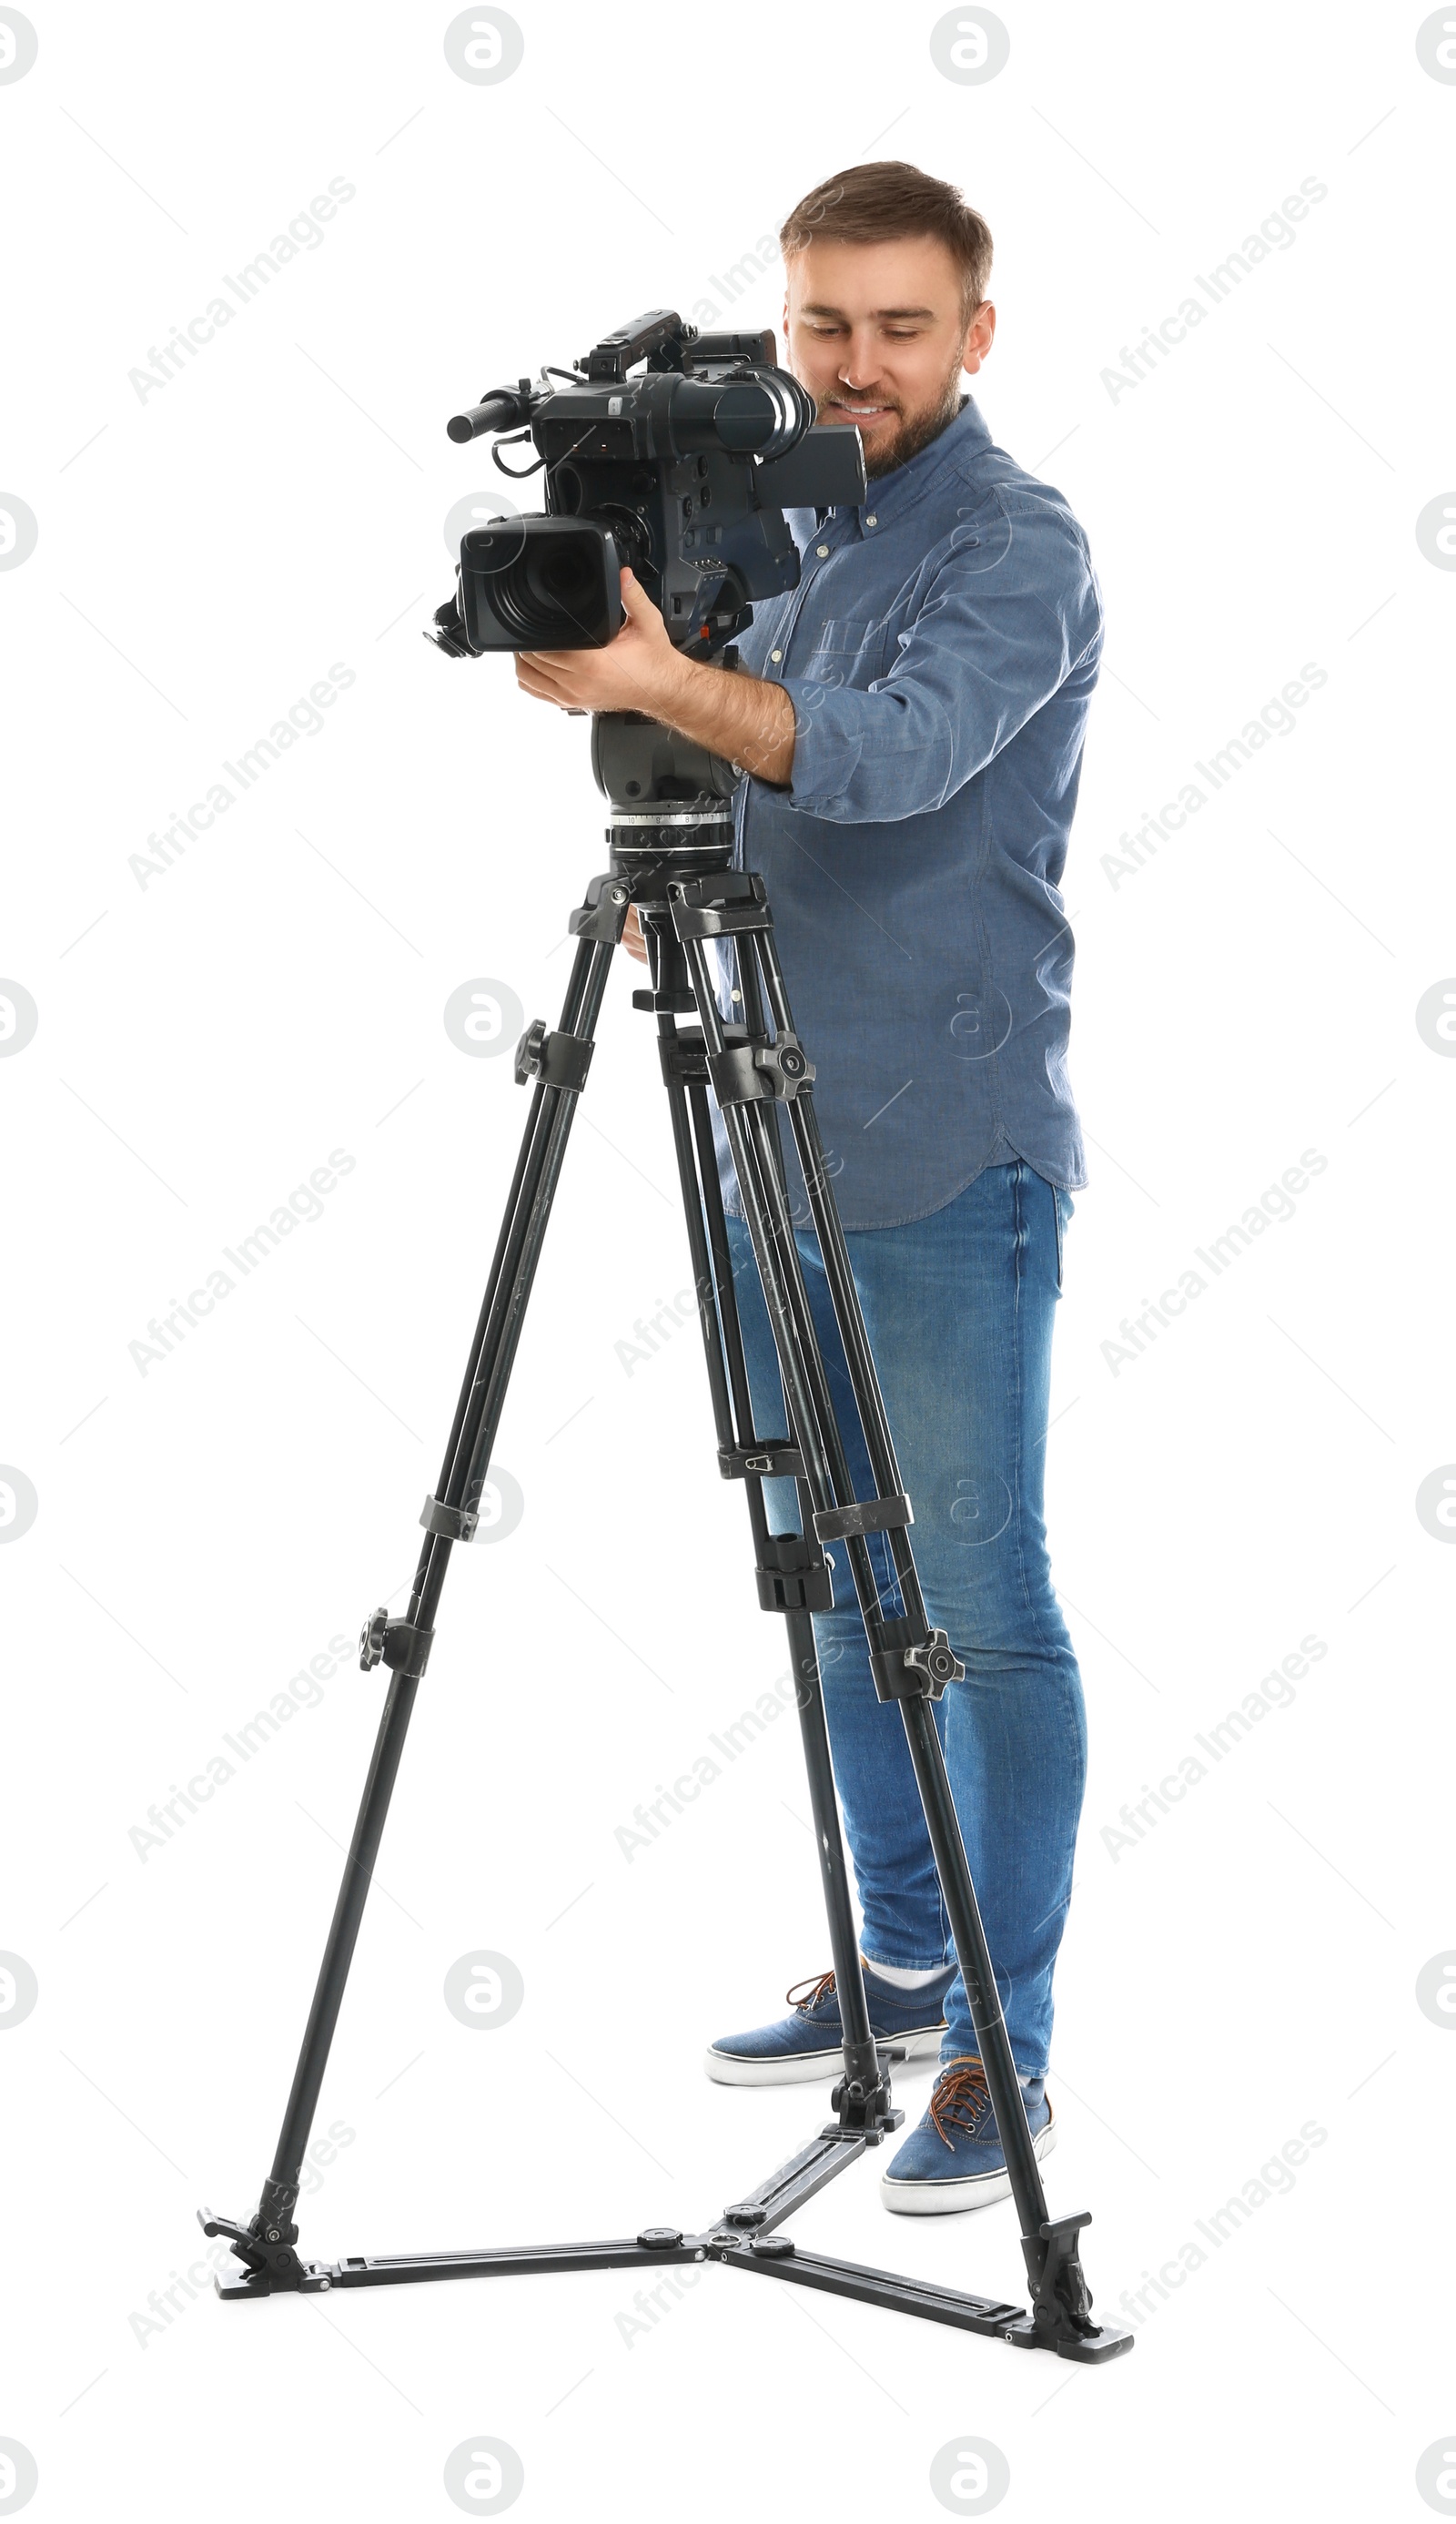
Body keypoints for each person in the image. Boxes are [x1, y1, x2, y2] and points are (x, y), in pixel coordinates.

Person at [514, 160, 1103, 2216]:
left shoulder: (1018, 548)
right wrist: (652, 730)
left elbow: (875, 756)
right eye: (820, 325)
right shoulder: (778, 522)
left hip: (942, 1151)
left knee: (970, 1607)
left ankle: (1003, 2058)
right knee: (835, 1591)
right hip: (761, 1117)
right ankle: (898, 1970)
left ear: (971, 335)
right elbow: (734, 765)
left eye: (896, 327)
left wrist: (654, 684)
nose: (851, 367)